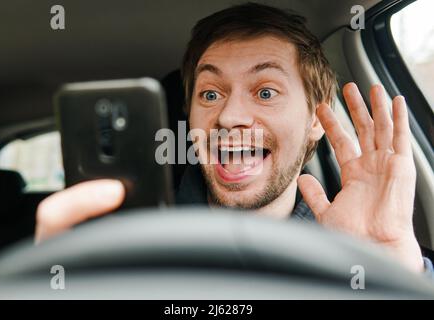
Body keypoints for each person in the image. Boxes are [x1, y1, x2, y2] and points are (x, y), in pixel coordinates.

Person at [35, 3, 433, 274]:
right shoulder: (131, 245)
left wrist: (395, 275)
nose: (229, 117)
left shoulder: (358, 255)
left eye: (265, 92)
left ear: (316, 119)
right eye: (210, 94)